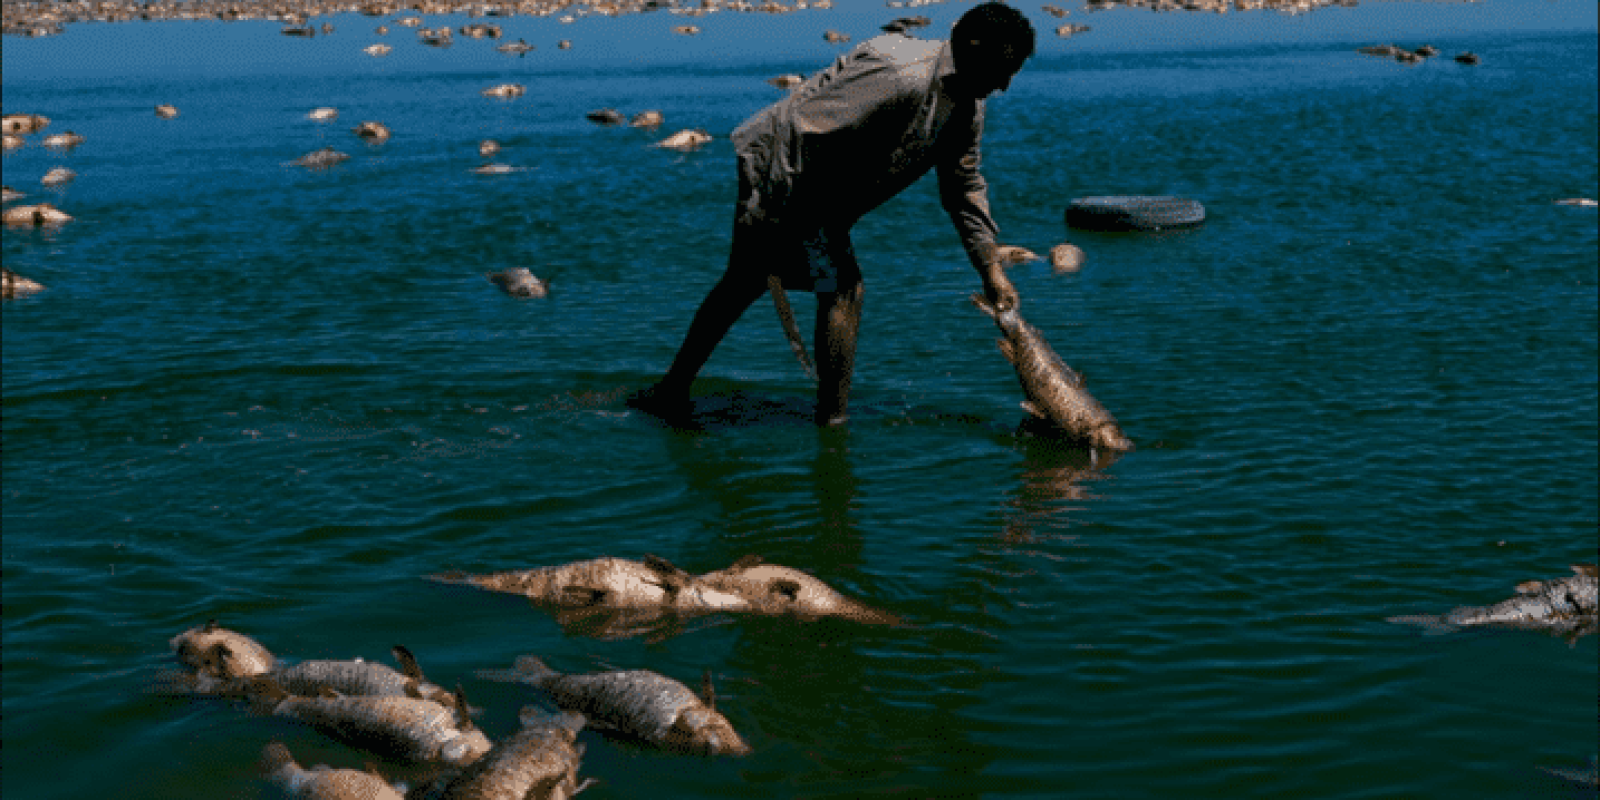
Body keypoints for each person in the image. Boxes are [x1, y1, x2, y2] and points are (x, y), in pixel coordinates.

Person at [630, 1, 1035, 426]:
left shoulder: (967, 103)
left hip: (822, 184)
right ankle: (832, 422)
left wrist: (990, 269)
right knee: (840, 288)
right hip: (783, 166)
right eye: (1002, 70)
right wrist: (791, 216)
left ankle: (670, 393)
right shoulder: (902, 75)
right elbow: (803, 129)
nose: (1005, 85)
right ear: (973, 48)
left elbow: (962, 186)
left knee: (746, 281)